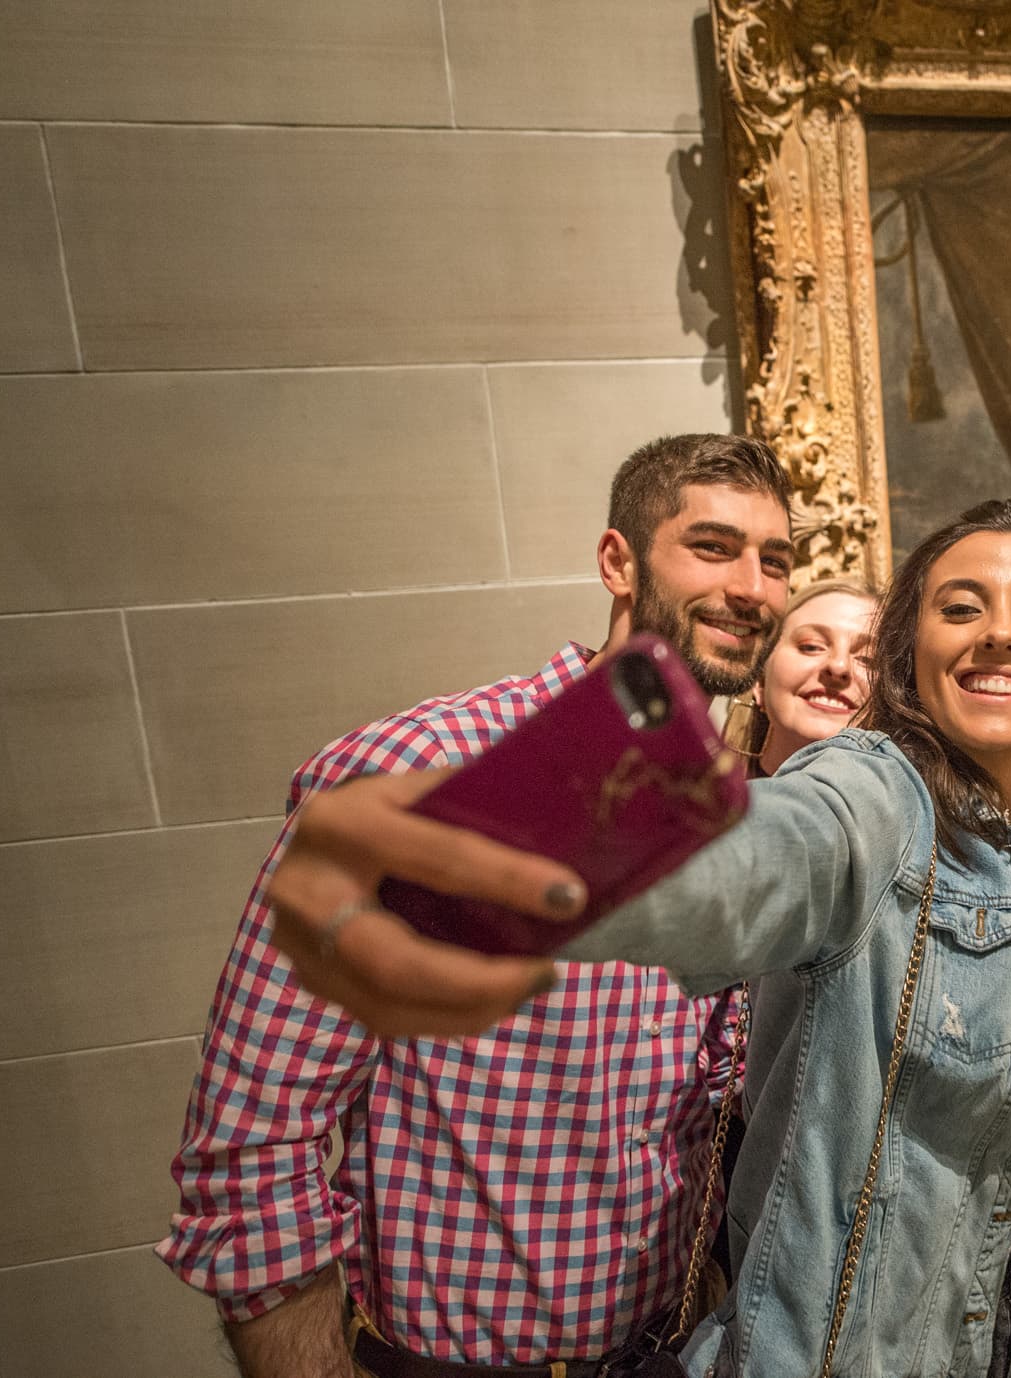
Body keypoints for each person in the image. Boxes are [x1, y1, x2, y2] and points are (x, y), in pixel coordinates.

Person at [245, 500, 1011, 1378]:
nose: (1000, 634)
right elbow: (759, 857)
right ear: (908, 659)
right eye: (960, 607)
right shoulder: (872, 793)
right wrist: (499, 863)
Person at [156, 434, 796, 1377]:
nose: (753, 588)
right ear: (618, 561)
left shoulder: (735, 815)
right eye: (712, 547)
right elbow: (253, 1143)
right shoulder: (420, 769)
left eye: (775, 560)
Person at [725, 577, 879, 776]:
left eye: (868, 659)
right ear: (760, 680)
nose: (839, 666)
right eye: (811, 647)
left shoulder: (915, 806)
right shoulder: (691, 797)